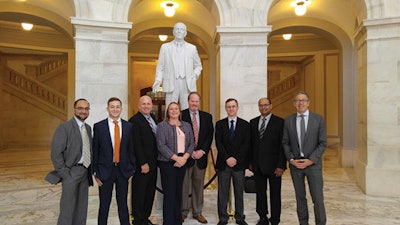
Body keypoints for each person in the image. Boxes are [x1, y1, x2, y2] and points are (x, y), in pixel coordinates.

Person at [282, 91, 327, 225]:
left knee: (318, 198)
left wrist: (311, 160)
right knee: (300, 198)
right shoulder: (288, 120)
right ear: (294, 104)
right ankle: (303, 223)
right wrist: (291, 160)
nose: (300, 103)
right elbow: (285, 142)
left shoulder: (318, 119)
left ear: (308, 103)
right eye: (297, 100)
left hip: (313, 165)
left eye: (303, 100)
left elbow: (323, 142)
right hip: (296, 165)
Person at [49, 98, 93, 225]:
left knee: (81, 208)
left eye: (86, 109)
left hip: (85, 172)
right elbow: (56, 153)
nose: (83, 111)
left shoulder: (88, 128)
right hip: (71, 172)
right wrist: (64, 173)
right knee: (67, 209)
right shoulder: (64, 127)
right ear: (74, 110)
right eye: (80, 108)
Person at [92, 97, 135, 225]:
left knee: (123, 204)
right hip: (105, 172)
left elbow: (131, 149)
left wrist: (131, 170)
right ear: (107, 109)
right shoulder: (99, 126)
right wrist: (95, 172)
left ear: (121, 109)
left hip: (123, 172)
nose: (115, 109)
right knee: (104, 205)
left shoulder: (128, 126)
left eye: (117, 107)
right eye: (112, 106)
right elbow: (95, 151)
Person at [156, 102, 194, 225]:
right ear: (168, 112)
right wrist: (176, 158)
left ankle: (177, 220)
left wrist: (184, 158)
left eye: (176, 109)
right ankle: (168, 221)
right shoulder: (162, 126)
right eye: (171, 109)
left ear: (179, 111)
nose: (174, 111)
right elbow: (161, 145)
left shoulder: (186, 125)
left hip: (182, 162)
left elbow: (191, 144)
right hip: (167, 163)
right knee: (169, 193)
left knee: (179, 192)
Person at [249, 97, 286, 225]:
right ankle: (263, 216)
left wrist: (281, 165)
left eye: (266, 105)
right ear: (258, 107)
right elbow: (251, 145)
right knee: (260, 193)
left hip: (275, 166)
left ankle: (275, 219)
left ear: (271, 106)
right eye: (261, 105)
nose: (263, 107)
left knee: (275, 194)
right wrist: (250, 162)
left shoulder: (280, 122)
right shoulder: (253, 122)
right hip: (258, 165)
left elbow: (283, 145)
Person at [215, 98, 250, 225]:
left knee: (239, 193)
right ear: (225, 108)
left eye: (233, 106)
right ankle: (223, 218)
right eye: (228, 107)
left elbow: (246, 145)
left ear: (237, 108)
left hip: (238, 165)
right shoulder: (219, 124)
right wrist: (227, 158)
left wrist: (236, 159)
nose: (231, 109)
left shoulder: (245, 125)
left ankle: (240, 218)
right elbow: (219, 143)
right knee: (222, 193)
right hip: (224, 164)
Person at [152, 22, 202, 110]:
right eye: (177, 29)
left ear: (185, 33)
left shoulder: (192, 48)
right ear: (173, 32)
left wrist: (194, 75)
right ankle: (169, 124)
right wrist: (158, 80)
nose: (179, 31)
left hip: (187, 83)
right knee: (170, 108)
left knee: (187, 110)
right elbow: (160, 66)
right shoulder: (165, 47)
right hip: (171, 82)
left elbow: (198, 65)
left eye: (182, 29)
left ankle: (187, 124)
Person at [181, 92, 214, 224]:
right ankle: (183, 211)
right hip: (185, 157)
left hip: (200, 157)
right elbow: (178, 136)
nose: (194, 103)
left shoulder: (207, 117)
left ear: (199, 103)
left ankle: (197, 212)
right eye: (192, 101)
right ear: (188, 101)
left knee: (198, 186)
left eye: (196, 101)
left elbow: (209, 136)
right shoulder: (181, 115)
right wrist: (189, 152)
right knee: (184, 185)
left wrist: (203, 151)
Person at [129, 96, 158, 225]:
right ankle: (138, 220)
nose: (146, 106)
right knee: (139, 193)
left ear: (151, 105)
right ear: (139, 106)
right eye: (143, 104)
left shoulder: (153, 119)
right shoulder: (134, 121)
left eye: (148, 104)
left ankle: (145, 218)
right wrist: (142, 163)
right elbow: (136, 144)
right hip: (143, 165)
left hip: (153, 163)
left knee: (149, 192)